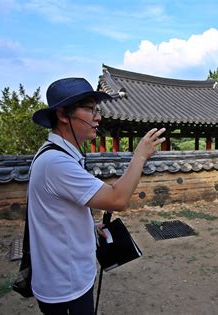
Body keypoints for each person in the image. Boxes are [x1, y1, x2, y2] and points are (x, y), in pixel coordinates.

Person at [29, 77, 166, 314]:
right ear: (63, 115)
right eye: (89, 109)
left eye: (97, 109)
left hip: (64, 275)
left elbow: (61, 213)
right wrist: (140, 156)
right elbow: (117, 199)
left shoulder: (57, 155)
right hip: (66, 284)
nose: (97, 117)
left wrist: (90, 228)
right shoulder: (57, 162)